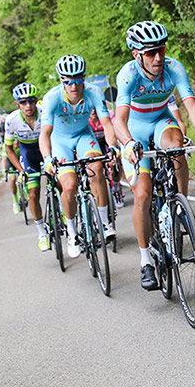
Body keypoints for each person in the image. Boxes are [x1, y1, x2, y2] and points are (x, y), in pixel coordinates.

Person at [114, 21, 195, 291]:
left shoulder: (174, 68)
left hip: (161, 121)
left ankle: (181, 205)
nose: (158, 57)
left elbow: (191, 104)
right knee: (142, 194)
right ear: (137, 55)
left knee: (176, 146)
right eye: (150, 53)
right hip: (135, 129)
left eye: (161, 49)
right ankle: (145, 260)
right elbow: (119, 120)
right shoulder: (128, 75)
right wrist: (128, 143)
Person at [39, 55, 118, 258]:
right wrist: (47, 158)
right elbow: (45, 133)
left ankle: (104, 222)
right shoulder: (52, 98)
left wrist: (112, 147)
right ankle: (73, 234)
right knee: (69, 186)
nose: (74, 86)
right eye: (68, 81)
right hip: (60, 141)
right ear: (61, 80)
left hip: (84, 136)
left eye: (78, 80)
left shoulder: (94, 92)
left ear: (84, 77)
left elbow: (107, 124)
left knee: (97, 167)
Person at [4, 83, 49, 252]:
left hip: (46, 148)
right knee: (33, 193)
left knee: (62, 183)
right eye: (23, 102)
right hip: (28, 154)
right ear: (17, 104)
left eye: (31, 101)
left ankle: (64, 211)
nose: (28, 105)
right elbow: (9, 149)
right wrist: (21, 171)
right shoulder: (11, 120)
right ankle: (42, 233)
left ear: (36, 101)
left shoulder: (45, 113)